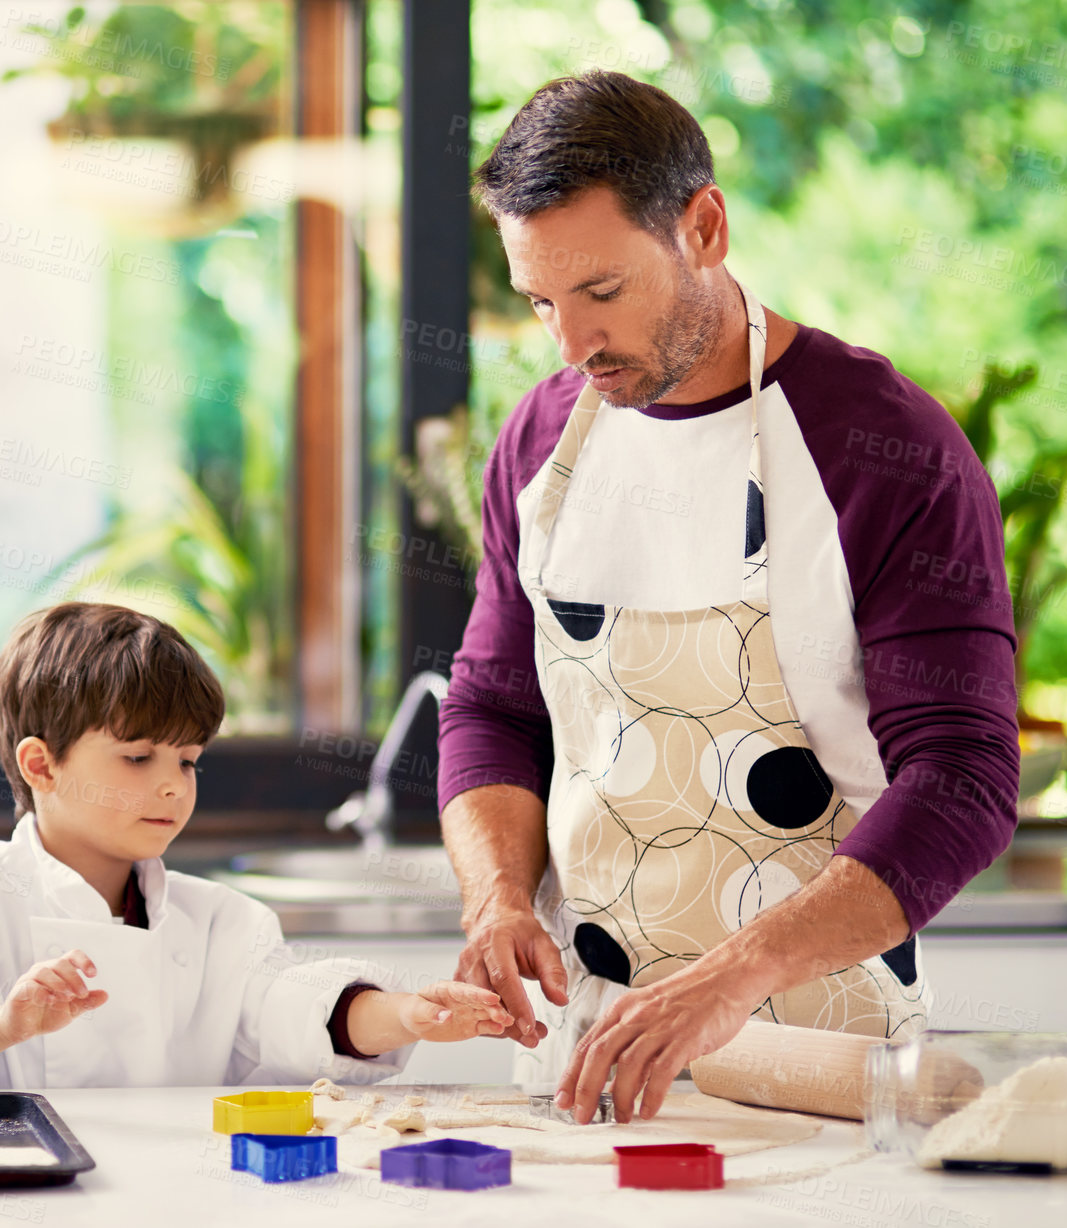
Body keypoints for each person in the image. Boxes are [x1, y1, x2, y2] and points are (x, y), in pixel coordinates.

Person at [437, 71, 1020, 1125]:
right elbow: (492, 709)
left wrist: (731, 976)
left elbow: (962, 777)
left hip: (824, 1063)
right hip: (590, 1063)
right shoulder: (538, 442)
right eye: (539, 302)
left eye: (600, 293)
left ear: (702, 227)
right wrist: (495, 898)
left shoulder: (886, 448)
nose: (568, 346)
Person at [0, 602, 511, 1092]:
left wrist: (409, 1014)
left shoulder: (222, 922)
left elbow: (290, 1008)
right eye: (139, 760)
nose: (173, 787)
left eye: (188, 761)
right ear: (41, 765)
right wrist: (4, 1024)